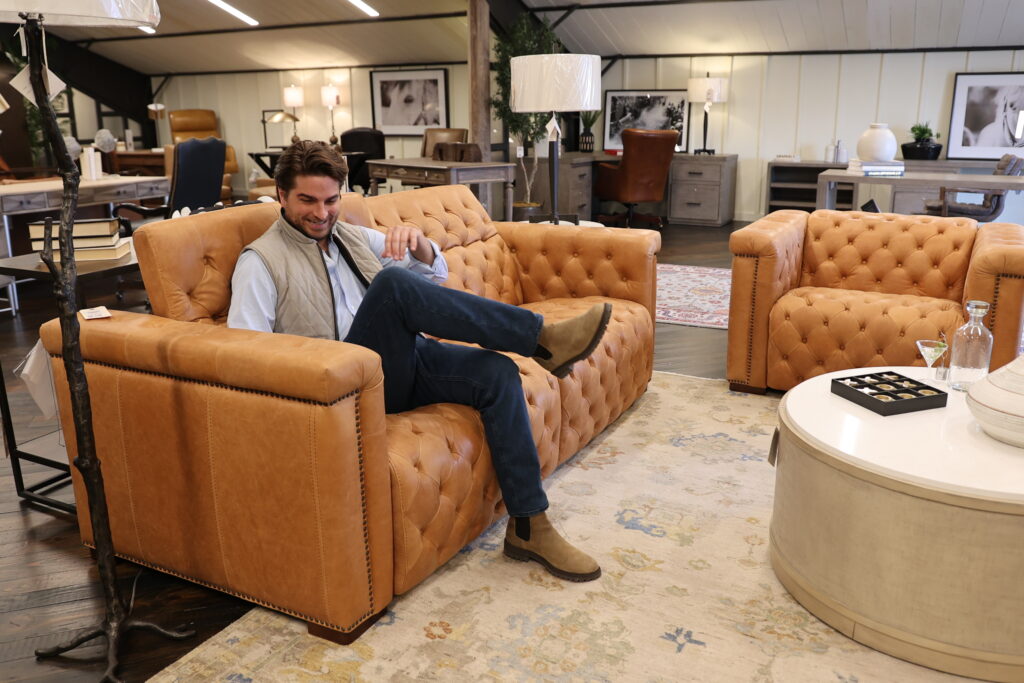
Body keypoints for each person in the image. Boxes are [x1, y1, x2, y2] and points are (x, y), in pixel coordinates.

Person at [228, 140, 611, 582]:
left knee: (497, 373)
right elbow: (244, 356)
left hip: (403, 364)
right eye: (307, 201)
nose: (321, 213)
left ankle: (529, 525)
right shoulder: (260, 262)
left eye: (331, 200)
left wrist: (422, 247)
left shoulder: (351, 235)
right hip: (345, 387)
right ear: (281, 195)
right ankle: (540, 339)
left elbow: (437, 275)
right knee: (391, 286)